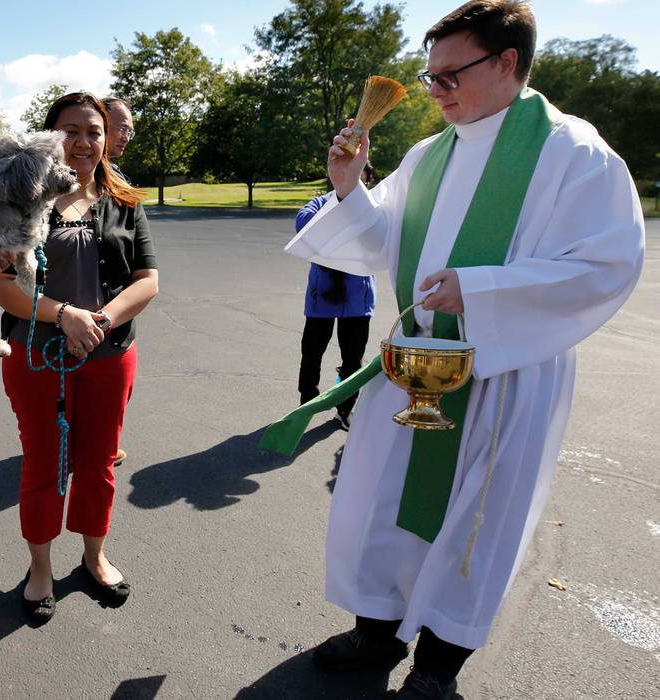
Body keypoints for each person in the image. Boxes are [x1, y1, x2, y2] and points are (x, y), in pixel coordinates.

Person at [267, 2, 645, 697]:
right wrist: (348, 189)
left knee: (478, 521)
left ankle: (437, 667)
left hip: (503, 375)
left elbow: (607, 265)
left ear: (505, 63)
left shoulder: (574, 152)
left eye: (449, 76)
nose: (435, 91)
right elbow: (383, 240)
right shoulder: (428, 153)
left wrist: (482, 289)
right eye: (429, 77)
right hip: (412, 361)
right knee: (378, 500)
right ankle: (374, 631)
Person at [0, 92, 159, 623]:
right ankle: (39, 567)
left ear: (106, 138)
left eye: (93, 131)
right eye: (71, 130)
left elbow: (148, 280)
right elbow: (2, 288)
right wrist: (64, 315)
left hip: (110, 356)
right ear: (50, 137)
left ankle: (94, 556)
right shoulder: (21, 201)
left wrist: (99, 321)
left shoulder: (127, 201)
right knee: (42, 462)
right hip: (36, 356)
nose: (84, 142)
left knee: (99, 463)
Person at [296, 163, 378, 430]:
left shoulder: (374, 208)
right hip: (323, 298)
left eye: (361, 182)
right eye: (349, 180)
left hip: (357, 300)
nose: (355, 186)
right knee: (311, 354)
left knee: (352, 360)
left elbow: (380, 239)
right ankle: (307, 403)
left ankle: (344, 407)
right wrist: (340, 216)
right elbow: (303, 222)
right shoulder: (321, 203)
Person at [102, 94, 135, 465]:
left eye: (130, 129)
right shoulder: (66, 180)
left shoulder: (120, 181)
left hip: (116, 313)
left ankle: (100, 443)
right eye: (120, 127)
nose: (126, 135)